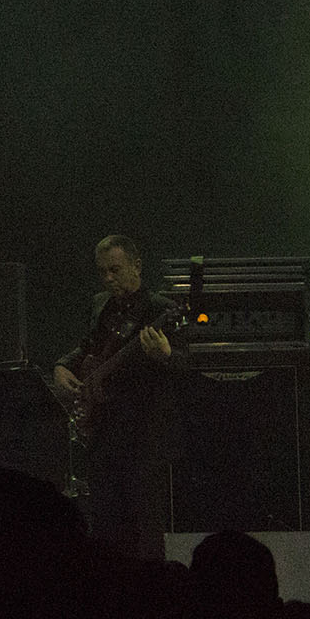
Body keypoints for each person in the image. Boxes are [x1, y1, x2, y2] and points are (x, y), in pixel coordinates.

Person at [51, 234, 185, 562]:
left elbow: (188, 365)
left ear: (137, 266)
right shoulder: (102, 305)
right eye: (102, 272)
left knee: (144, 526)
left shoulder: (161, 309)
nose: (108, 278)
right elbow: (88, 347)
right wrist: (62, 366)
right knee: (106, 524)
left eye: (115, 270)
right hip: (104, 431)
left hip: (144, 434)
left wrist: (166, 356)